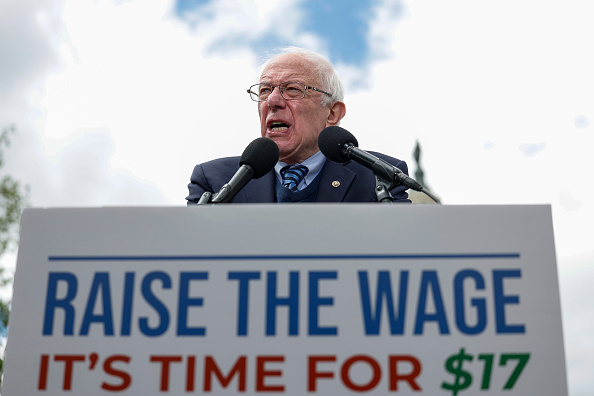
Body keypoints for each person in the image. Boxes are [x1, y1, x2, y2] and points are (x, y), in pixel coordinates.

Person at [186, 47, 410, 204]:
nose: (272, 101)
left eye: (292, 89)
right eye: (264, 90)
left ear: (332, 113)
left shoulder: (380, 177)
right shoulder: (213, 180)